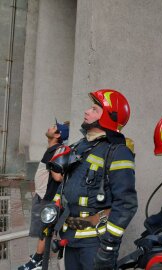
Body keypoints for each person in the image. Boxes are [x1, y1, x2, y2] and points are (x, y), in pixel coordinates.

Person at [53, 89, 137, 270]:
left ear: (107, 117)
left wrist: (108, 246)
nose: (86, 112)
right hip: (71, 238)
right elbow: (66, 186)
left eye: (94, 109)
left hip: (95, 244)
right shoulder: (80, 145)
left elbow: (126, 204)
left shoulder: (117, 152)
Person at [18, 120, 69, 270]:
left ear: (58, 135)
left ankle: (38, 261)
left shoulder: (58, 150)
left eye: (54, 128)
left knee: (44, 229)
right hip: (42, 195)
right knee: (41, 228)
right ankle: (37, 256)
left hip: (48, 197)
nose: (50, 127)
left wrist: (54, 168)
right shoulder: (52, 148)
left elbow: (58, 177)